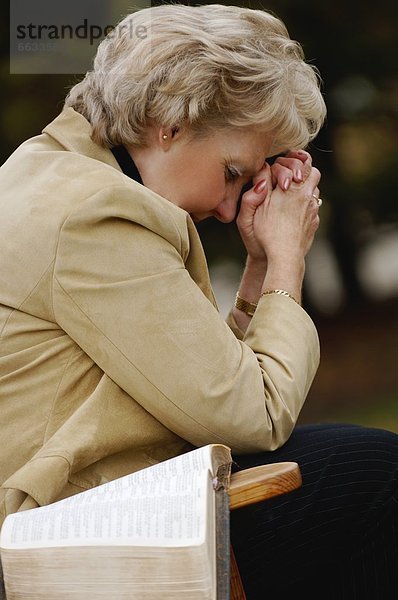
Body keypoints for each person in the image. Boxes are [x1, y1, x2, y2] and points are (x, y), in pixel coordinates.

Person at [1, 3, 397, 598]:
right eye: (233, 171)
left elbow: (206, 385)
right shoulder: (94, 215)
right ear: (171, 121)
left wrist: (261, 264)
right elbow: (253, 417)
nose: (230, 205)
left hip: (103, 510)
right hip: (82, 534)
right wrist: (289, 261)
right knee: (378, 477)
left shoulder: (54, 174)